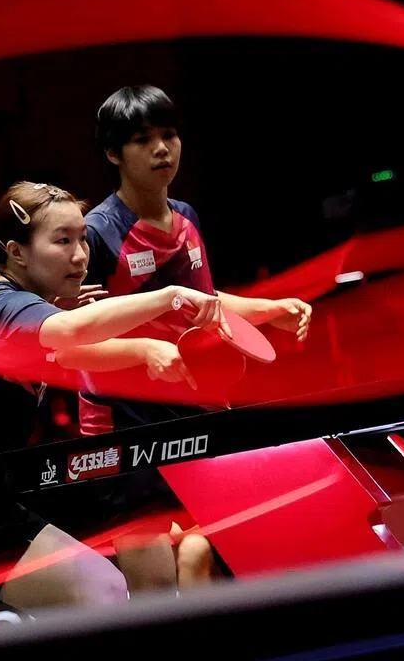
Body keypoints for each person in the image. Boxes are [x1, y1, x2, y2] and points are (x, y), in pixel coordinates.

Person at [0, 181, 224, 610]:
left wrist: (150, 351)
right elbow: (72, 333)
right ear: (17, 251)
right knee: (106, 593)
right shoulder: (0, 306)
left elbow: (71, 352)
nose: (80, 256)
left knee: (105, 585)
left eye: (82, 239)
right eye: (62, 241)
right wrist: (169, 298)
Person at [80, 84, 313, 434]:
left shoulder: (186, 217)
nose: (162, 149)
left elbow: (201, 300)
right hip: (126, 420)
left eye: (169, 135)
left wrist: (270, 310)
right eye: (143, 140)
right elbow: (74, 342)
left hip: (196, 402)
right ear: (114, 153)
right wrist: (143, 350)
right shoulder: (96, 234)